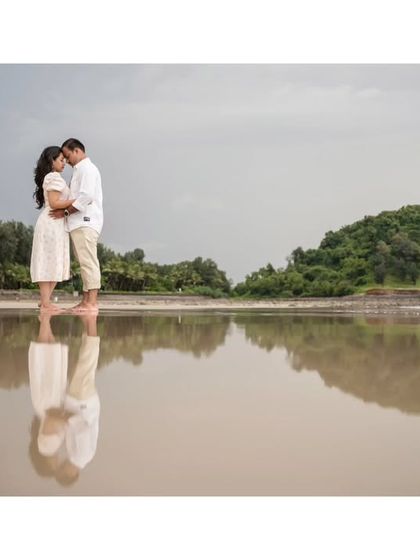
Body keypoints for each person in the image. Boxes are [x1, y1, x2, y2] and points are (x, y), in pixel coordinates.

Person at [50, 138, 103, 314]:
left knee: (88, 262)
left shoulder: (87, 169)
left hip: (85, 221)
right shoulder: (82, 170)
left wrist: (65, 213)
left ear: (77, 151)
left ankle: (92, 302)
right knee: (84, 262)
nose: (67, 161)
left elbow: (86, 197)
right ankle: (86, 300)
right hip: (79, 223)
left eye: (67, 156)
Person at [30, 146, 75, 312]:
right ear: (51, 161)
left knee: (54, 262)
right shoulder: (53, 177)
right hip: (51, 224)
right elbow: (55, 203)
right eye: (61, 160)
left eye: (64, 160)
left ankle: (45, 301)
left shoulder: (53, 177)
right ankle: (46, 302)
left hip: (55, 223)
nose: (64, 163)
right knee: (48, 261)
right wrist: (76, 201)